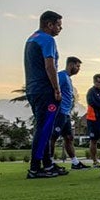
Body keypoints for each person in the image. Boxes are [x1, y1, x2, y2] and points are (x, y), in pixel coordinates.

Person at [24, 10, 69, 178]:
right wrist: (57, 89)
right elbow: (50, 66)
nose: (60, 28)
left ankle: (48, 165)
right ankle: (35, 168)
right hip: (45, 90)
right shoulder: (47, 39)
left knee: (43, 127)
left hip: (33, 89)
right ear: (49, 24)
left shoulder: (32, 38)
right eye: (58, 25)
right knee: (44, 129)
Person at [50, 56, 89, 169]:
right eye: (77, 66)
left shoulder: (68, 78)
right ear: (71, 65)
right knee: (53, 137)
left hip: (66, 113)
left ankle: (75, 163)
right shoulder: (61, 76)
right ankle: (50, 162)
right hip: (59, 112)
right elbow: (53, 90)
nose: (78, 69)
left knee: (69, 137)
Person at [86, 73, 100, 167]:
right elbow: (95, 104)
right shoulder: (91, 92)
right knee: (94, 140)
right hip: (93, 119)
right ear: (94, 82)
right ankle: (94, 160)